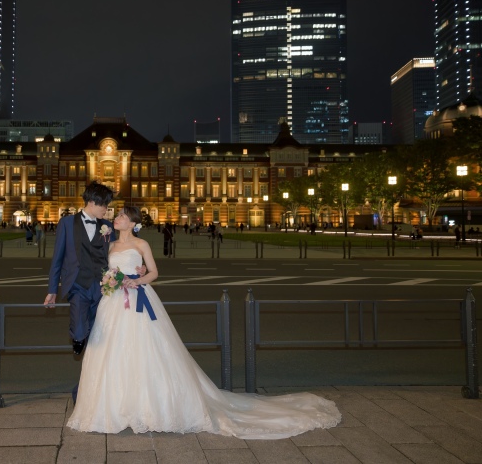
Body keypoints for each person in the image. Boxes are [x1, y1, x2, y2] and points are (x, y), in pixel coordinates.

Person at [66, 206, 341, 439]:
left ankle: (149, 405)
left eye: (123, 216)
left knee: (147, 351)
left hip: (138, 299)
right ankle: (113, 405)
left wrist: (136, 279)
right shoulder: (110, 243)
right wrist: (110, 279)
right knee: (111, 354)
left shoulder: (142, 244)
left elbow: (154, 272)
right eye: (118, 215)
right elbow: (100, 267)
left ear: (134, 222)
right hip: (113, 303)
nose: (117, 218)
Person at [44, 181, 133, 402]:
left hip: (104, 289)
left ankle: (89, 390)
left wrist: (136, 267)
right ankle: (77, 337)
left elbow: (118, 252)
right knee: (81, 329)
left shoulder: (107, 227)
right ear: (92, 202)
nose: (107, 209)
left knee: (98, 341)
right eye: (104, 205)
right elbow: (57, 258)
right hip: (77, 285)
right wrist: (52, 290)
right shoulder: (66, 223)